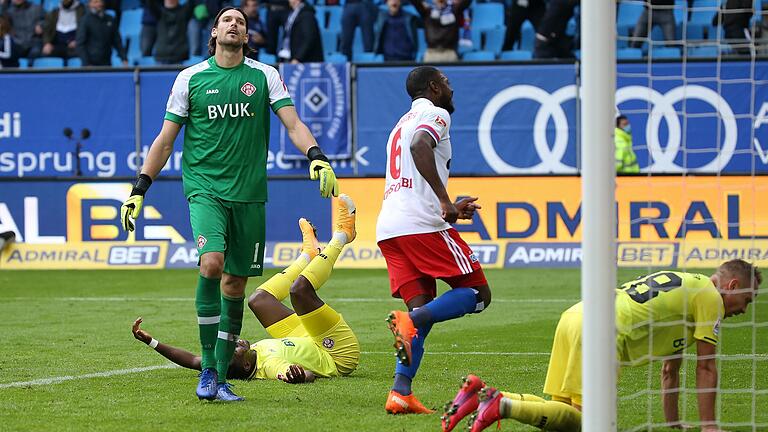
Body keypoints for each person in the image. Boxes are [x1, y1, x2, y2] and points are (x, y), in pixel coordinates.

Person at [119, 6, 339, 402]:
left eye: (241, 21)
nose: (234, 24)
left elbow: (293, 123)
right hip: (205, 188)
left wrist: (316, 155)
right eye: (227, 20)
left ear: (247, 34)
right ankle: (207, 367)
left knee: (236, 284)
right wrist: (139, 188)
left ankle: (220, 377)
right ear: (214, 32)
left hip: (250, 194)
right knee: (212, 263)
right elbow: (165, 141)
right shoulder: (191, 78)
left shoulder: (265, 75)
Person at [442, 259, 761, 432]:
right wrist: (710, 426)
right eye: (746, 300)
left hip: (577, 315)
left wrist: (673, 422)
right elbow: (706, 367)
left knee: (563, 417)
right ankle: (502, 406)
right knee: (586, 423)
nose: (744, 310)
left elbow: (669, 371)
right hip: (601, 329)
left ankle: (479, 393)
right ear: (732, 286)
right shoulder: (710, 298)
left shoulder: (688, 290)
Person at [132, 203, 359, 385]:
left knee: (258, 300)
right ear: (247, 366)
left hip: (303, 338)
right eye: (235, 349)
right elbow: (295, 374)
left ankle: (308, 254)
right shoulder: (269, 366)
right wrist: (299, 376)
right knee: (299, 291)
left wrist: (152, 342)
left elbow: (193, 360)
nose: (235, 342)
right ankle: (343, 235)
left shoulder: (243, 358)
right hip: (336, 353)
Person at [376, 65, 491, 415]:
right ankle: (411, 320)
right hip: (421, 225)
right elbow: (420, 146)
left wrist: (449, 203)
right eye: (446, 82)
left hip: (390, 228)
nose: (451, 88)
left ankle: (400, 391)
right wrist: (444, 202)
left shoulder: (399, 123)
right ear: (433, 87)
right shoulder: (435, 114)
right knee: (479, 295)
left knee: (419, 311)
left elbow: (412, 165)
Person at [75, 0, 127, 66]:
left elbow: (117, 41)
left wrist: (124, 58)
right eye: (95, 2)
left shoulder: (110, 19)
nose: (99, 4)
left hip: (107, 63)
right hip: (90, 65)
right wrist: (86, 63)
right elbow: (80, 44)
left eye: (100, 1)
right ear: (89, 4)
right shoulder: (85, 21)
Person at [145, 0, 192, 64]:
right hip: (161, 57)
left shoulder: (185, 11)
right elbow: (150, 2)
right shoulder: (158, 12)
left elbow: (193, 2)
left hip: (180, 58)